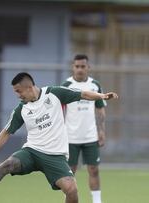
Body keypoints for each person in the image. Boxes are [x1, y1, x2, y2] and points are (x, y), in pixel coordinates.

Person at [0, 72, 118, 203]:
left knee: (71, 189)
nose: (18, 96)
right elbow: (6, 132)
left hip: (55, 156)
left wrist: (101, 96)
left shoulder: (54, 93)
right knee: (8, 164)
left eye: (18, 91)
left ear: (28, 87)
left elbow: (82, 94)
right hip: (32, 152)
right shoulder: (22, 109)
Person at [62, 54, 106, 203]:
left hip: (90, 136)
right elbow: (60, 110)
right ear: (73, 67)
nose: (80, 69)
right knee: (69, 173)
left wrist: (101, 131)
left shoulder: (95, 85)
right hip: (70, 137)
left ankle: (97, 201)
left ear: (88, 67)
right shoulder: (66, 85)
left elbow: (100, 109)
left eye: (83, 66)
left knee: (94, 170)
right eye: (77, 66)